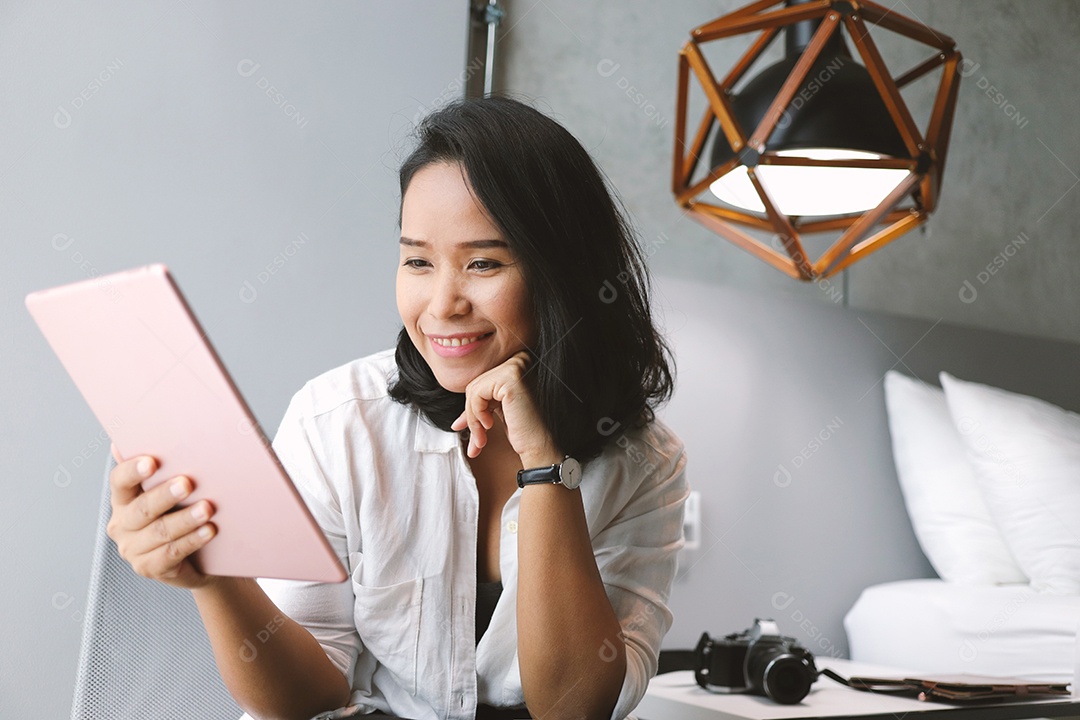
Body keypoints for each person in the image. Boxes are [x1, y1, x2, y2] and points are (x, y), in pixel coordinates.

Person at [107, 96, 688, 720]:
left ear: (564, 274)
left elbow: (576, 707)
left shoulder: (645, 463)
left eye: (483, 263)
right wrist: (216, 580)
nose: (441, 304)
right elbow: (306, 698)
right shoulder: (338, 420)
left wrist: (546, 464)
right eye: (417, 260)